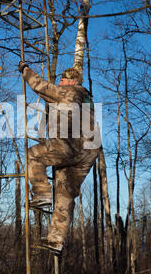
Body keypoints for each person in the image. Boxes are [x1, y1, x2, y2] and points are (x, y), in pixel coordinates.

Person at [18, 61, 100, 255]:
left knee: (32, 156)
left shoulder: (71, 92)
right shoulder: (87, 98)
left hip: (72, 145)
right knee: (65, 191)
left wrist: (25, 70)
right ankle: (56, 239)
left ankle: (41, 193)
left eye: (63, 80)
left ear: (71, 81)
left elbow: (43, 87)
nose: (60, 83)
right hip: (89, 152)